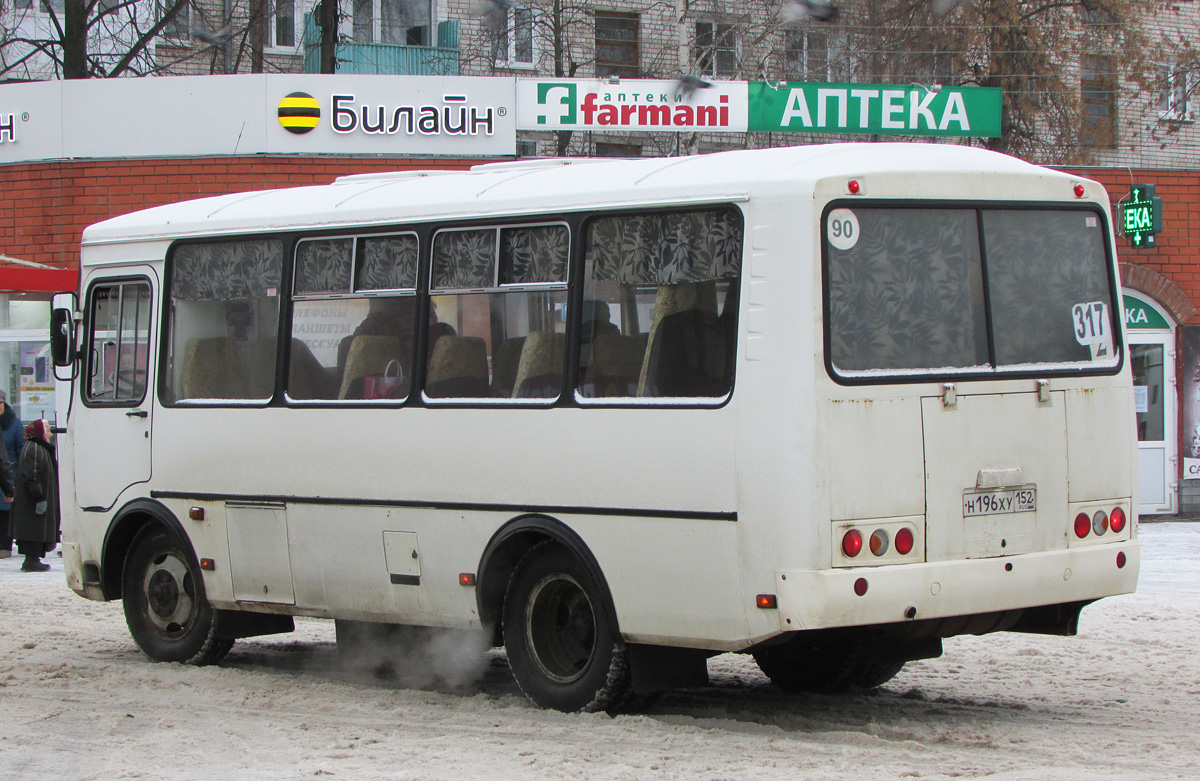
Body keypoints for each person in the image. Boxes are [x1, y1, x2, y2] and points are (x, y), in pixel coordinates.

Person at [10, 419, 58, 573]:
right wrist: (39, 497)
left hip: (33, 501)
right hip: (32, 502)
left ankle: (33, 559)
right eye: (48, 430)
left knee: (36, 529)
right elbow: (31, 475)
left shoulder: (37, 448)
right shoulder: (35, 449)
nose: (50, 434)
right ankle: (31, 560)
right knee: (35, 529)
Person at [0, 390, 18, 559]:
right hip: (5, 475)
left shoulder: (13, 423)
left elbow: (20, 450)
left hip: (8, 474)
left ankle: (5, 546)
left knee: (5, 514)